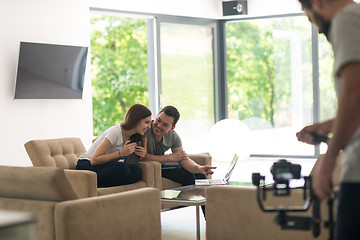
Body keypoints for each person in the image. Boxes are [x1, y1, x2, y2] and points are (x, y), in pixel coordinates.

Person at [296, 0, 360, 239]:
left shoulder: (346, 19)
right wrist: (325, 127)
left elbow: (354, 95)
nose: (317, 28)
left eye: (310, 18)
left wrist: (329, 161)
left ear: (318, 3)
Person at [76, 103, 151, 188]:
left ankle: (102, 184)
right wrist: (120, 153)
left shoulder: (134, 136)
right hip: (86, 165)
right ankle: (89, 184)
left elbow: (130, 161)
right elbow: (94, 160)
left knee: (137, 172)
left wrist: (142, 153)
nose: (149, 126)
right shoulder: (115, 132)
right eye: (146, 122)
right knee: (123, 169)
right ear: (136, 120)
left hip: (105, 166)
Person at [143, 105, 216, 186]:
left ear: (172, 128)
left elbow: (183, 159)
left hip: (159, 166)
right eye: (158, 120)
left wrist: (198, 168)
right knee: (186, 175)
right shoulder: (144, 129)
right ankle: (188, 198)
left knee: (200, 174)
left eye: (165, 125)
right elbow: (143, 157)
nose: (159, 125)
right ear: (156, 116)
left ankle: (204, 198)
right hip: (148, 168)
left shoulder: (173, 136)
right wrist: (170, 158)